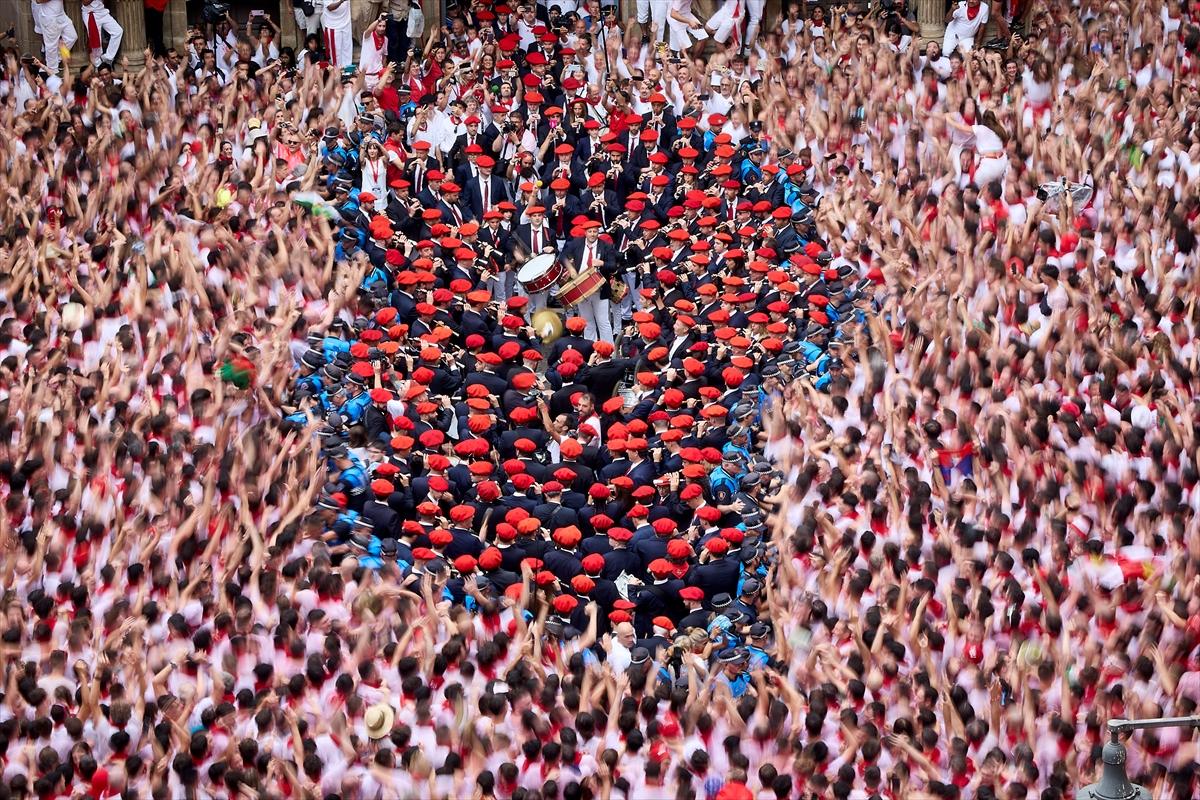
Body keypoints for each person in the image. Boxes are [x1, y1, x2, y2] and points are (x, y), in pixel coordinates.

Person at [82, 0, 122, 67]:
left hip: (102, 11)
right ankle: (98, 66)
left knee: (118, 31)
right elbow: (85, 2)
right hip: (91, 13)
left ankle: (107, 58)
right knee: (96, 43)